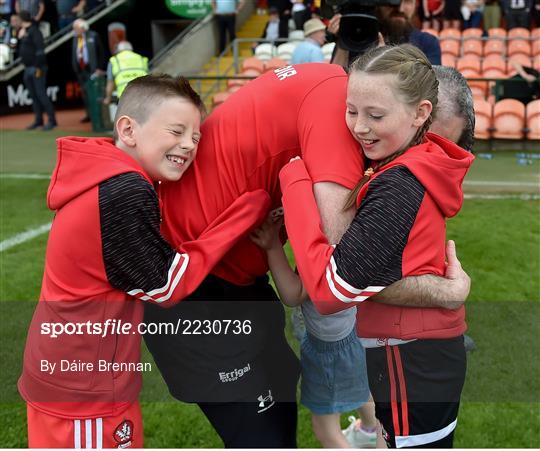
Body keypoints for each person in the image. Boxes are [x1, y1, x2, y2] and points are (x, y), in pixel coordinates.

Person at [144, 62, 472, 448]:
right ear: (415, 111)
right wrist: (445, 293)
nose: (423, 154)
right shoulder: (340, 116)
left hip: (234, 281)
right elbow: (341, 272)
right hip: (195, 287)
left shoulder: (365, 130)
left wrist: (294, 184)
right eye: (424, 141)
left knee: (282, 404)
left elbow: (337, 275)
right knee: (266, 433)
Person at [17, 74, 270, 448]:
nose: (188, 145)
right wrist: (246, 210)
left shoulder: (109, 174)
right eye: (176, 131)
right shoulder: (124, 189)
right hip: (84, 390)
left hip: (76, 378)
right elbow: (166, 285)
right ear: (128, 129)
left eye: (196, 136)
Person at [279, 44, 474, 448]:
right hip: (402, 351)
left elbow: (335, 289)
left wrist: (294, 179)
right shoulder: (406, 166)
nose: (359, 127)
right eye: (351, 111)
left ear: (421, 114)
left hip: (407, 355)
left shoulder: (401, 181)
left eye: (376, 115)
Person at [251, 215, 378, 448]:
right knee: (362, 389)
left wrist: (272, 246)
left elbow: (292, 294)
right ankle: (370, 432)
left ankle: (368, 434)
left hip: (327, 356)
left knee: (326, 430)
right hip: (354, 340)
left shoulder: (321, 249)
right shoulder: (356, 243)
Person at [17, 10, 56, 130]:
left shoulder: (35, 31)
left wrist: (38, 67)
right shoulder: (24, 32)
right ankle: (38, 120)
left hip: (36, 68)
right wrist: (20, 37)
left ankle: (52, 120)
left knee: (41, 94)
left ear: (22, 19)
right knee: (33, 96)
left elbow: (40, 51)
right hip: (27, 68)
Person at [71, 18, 105, 122]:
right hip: (81, 70)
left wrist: (99, 67)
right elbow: (75, 53)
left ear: (83, 28)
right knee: (85, 93)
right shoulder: (76, 38)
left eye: (76, 28)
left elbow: (101, 52)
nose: (75, 30)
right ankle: (89, 115)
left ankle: (99, 116)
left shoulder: (93, 36)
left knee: (95, 93)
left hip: (93, 69)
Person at [103, 40, 148, 105]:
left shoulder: (114, 60)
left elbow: (110, 82)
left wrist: (108, 98)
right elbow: (149, 79)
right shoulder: (141, 58)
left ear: (118, 50)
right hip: (143, 96)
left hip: (125, 97)